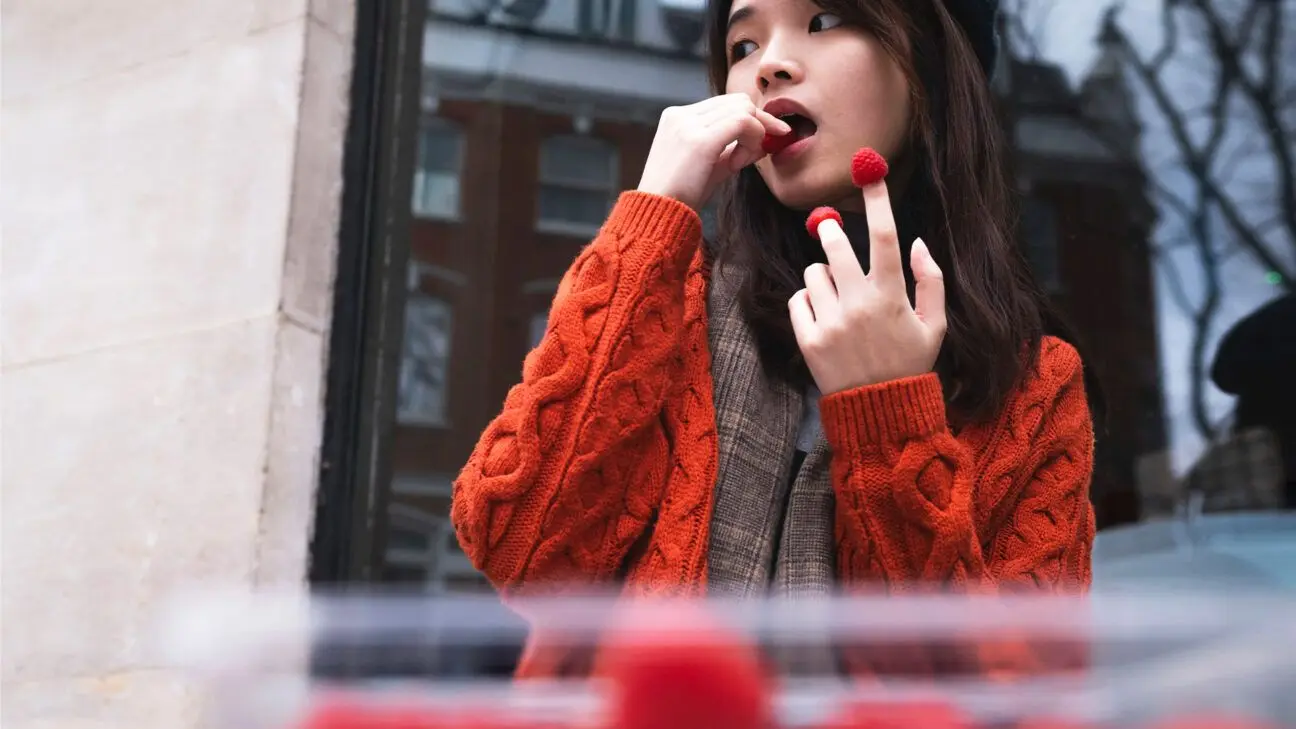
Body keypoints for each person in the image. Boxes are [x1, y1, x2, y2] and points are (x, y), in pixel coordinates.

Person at [451, 0, 1102, 677]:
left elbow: (1019, 696)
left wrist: (889, 417)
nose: (770, 66)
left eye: (821, 24)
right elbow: (515, 548)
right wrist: (651, 216)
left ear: (931, 63)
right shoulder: (663, 300)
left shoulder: (1035, 389)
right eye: (741, 46)